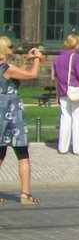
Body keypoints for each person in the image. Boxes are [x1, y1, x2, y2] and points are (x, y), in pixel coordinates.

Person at [0, 37, 44, 205]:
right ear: (5, 49)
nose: (13, 48)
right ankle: (25, 194)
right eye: (11, 46)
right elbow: (32, 75)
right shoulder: (7, 68)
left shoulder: (5, 69)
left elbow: (15, 75)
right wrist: (38, 60)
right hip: (11, 117)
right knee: (22, 154)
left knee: (1, 153)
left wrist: (26, 60)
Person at [52, 34, 79, 155]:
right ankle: (78, 148)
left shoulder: (57, 58)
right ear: (74, 45)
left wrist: (57, 93)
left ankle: (62, 147)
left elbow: (56, 79)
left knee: (65, 119)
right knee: (78, 119)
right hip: (76, 91)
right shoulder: (76, 57)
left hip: (63, 91)